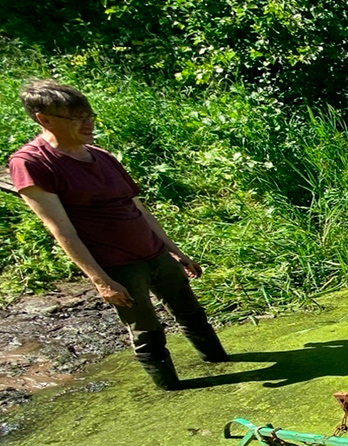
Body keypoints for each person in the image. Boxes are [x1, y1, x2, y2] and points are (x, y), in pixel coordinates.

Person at [7, 80, 227, 390]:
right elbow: (60, 228)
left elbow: (138, 208)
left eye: (90, 115)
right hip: (117, 265)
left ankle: (221, 363)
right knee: (148, 332)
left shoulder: (102, 156)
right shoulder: (31, 163)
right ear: (44, 119)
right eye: (76, 118)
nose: (88, 123)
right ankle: (172, 392)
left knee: (192, 314)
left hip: (154, 252)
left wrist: (174, 250)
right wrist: (100, 281)